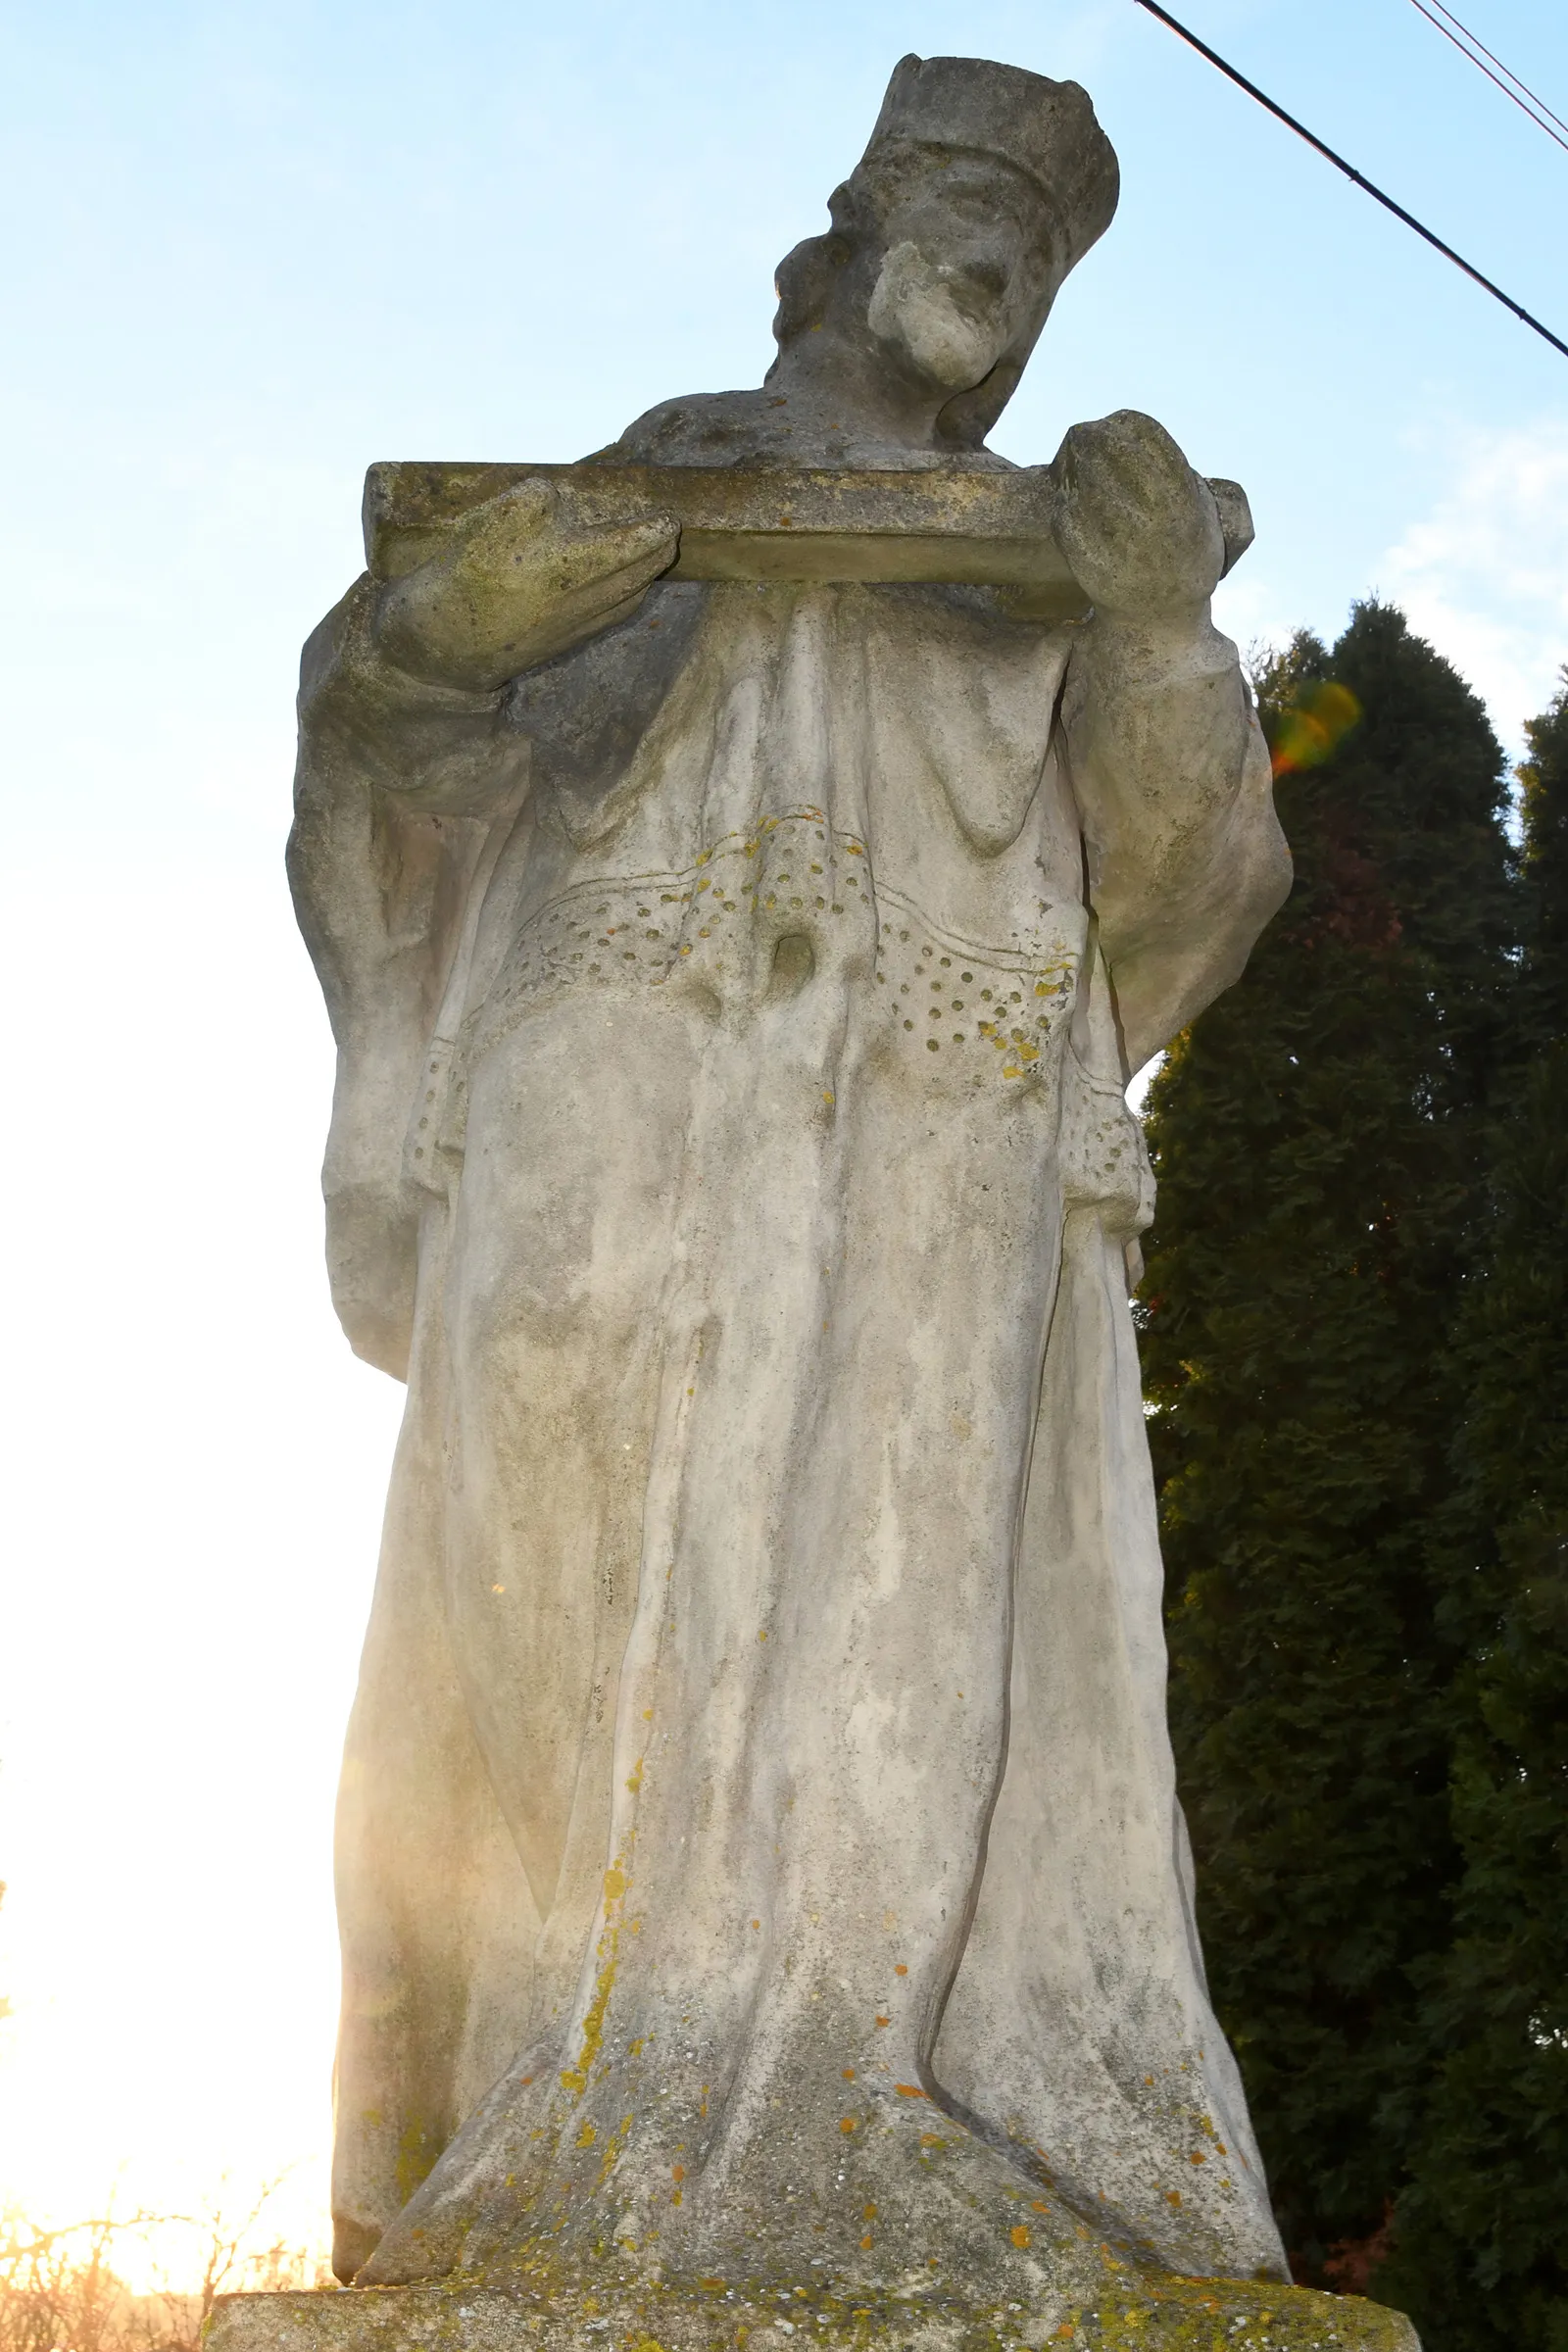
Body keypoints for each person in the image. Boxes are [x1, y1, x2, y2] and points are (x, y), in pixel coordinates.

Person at [293, 53, 1293, 2314]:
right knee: (545, 1575)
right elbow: (389, 762)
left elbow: (1188, 888)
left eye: (1031, 249)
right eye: (957, 208)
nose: (998, 261)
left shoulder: (1052, 551)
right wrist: (446, 639)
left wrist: (1150, 639)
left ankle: (859, 2106)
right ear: (846, 234)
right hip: (608, 1088)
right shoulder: (647, 478)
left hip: (931, 1118)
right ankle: (550, 2120)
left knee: (900, 1585)